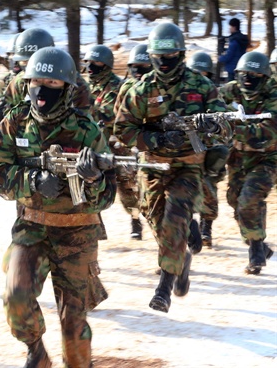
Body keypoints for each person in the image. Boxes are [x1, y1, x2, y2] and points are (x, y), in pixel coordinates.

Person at [0, 46, 117, 368]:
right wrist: (32, 181)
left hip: (77, 234)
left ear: (68, 88)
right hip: (32, 228)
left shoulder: (87, 129)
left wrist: (93, 177)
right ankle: (35, 350)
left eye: (53, 84)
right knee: (16, 296)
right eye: (37, 81)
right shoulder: (15, 122)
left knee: (73, 323)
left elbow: (106, 197)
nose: (42, 90)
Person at [114, 22, 232, 313]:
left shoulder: (201, 86)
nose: (164, 63)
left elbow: (226, 128)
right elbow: (123, 129)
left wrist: (213, 124)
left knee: (175, 220)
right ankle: (181, 259)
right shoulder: (141, 89)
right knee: (158, 224)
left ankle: (164, 288)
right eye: (158, 57)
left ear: (181, 54)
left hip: (187, 168)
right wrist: (155, 138)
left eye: (170, 57)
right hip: (152, 167)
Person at [218, 51, 276, 274]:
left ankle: (255, 254)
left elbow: (266, 133)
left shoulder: (273, 96)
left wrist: (230, 128)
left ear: (265, 77)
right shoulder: (229, 91)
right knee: (235, 200)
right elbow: (210, 104)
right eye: (244, 74)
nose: (248, 79)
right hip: (238, 158)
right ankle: (260, 245)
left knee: (249, 198)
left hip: (268, 158)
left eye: (254, 75)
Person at [186, 51, 228, 247]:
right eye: (197, 72)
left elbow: (225, 123)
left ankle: (206, 226)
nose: (200, 76)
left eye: (204, 73)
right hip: (188, 148)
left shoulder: (213, 93)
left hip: (210, 148)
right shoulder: (184, 93)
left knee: (209, 188)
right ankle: (189, 225)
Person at [113, 44, 152, 240]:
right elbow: (119, 114)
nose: (138, 70)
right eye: (134, 66)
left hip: (154, 146)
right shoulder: (126, 87)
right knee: (126, 185)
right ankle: (135, 220)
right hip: (130, 145)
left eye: (143, 65)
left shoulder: (157, 88)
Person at [2, 28, 91, 113]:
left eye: (33, 61)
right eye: (25, 62)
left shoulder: (72, 82)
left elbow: (84, 119)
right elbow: (9, 112)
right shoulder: (18, 81)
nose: (30, 67)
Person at [218, 18, 248, 82]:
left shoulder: (234, 41)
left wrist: (220, 58)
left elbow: (229, 55)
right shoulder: (241, 38)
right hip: (240, 67)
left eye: (230, 26)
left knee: (231, 88)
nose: (229, 28)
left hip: (232, 69)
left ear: (234, 27)